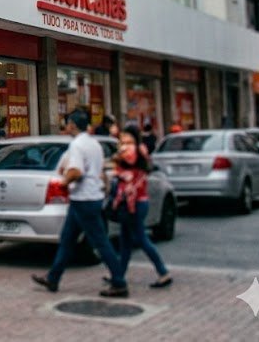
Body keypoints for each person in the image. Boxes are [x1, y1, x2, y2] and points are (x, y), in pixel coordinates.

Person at [32, 108, 129, 297]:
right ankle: (53, 278)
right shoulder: (94, 144)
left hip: (84, 199)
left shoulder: (77, 145)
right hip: (87, 198)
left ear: (73, 125)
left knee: (100, 242)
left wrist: (64, 182)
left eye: (67, 122)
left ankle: (119, 281)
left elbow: (76, 171)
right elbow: (98, 171)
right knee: (67, 240)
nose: (66, 126)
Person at [111, 125, 171, 288]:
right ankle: (119, 274)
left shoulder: (133, 152)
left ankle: (163, 272)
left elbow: (122, 165)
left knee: (141, 238)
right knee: (126, 242)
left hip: (134, 203)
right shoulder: (140, 152)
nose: (123, 141)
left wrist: (118, 160)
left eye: (125, 137)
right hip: (136, 201)